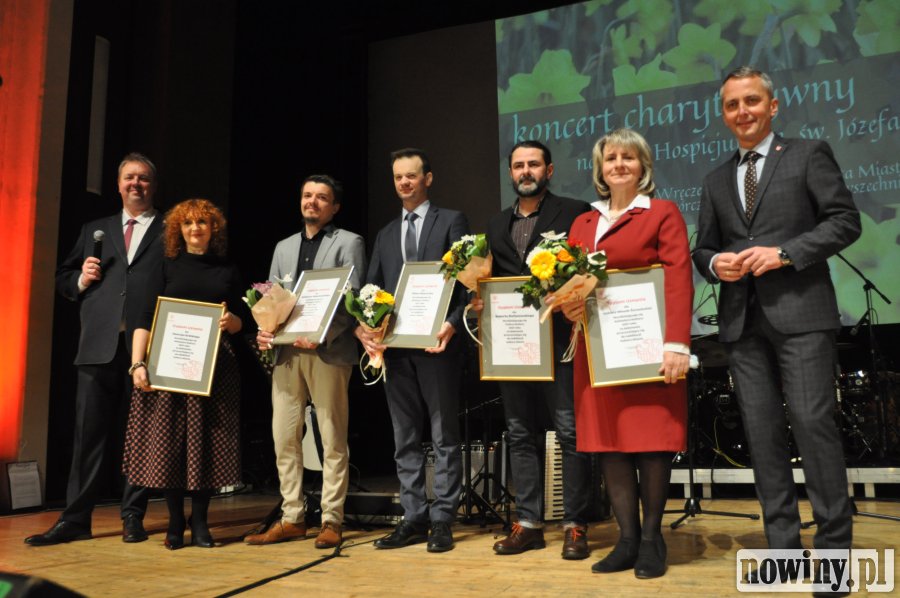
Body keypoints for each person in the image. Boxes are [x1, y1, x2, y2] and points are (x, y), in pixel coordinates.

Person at [693, 67, 859, 558]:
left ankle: (834, 553)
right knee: (762, 439)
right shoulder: (715, 178)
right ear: (723, 114)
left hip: (802, 315)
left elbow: (845, 221)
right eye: (731, 105)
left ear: (773, 105)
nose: (742, 111)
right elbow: (702, 248)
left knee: (813, 426)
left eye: (751, 101)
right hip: (741, 322)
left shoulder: (808, 154)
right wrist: (714, 263)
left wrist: (784, 254)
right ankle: (782, 550)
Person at [555, 128, 693, 579]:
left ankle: (653, 540)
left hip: (650, 349)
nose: (619, 164)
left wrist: (677, 343)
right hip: (599, 352)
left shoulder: (662, 213)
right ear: (600, 168)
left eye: (628, 158)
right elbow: (570, 284)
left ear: (643, 166)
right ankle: (627, 540)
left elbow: (678, 278)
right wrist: (569, 304)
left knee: (652, 444)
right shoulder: (583, 223)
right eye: (611, 158)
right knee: (611, 446)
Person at [26, 153, 161, 546]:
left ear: (153, 185)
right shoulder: (94, 229)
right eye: (129, 178)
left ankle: (133, 515)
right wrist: (82, 280)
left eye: (143, 178)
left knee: (138, 435)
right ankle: (75, 519)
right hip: (97, 345)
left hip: (146, 347)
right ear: (119, 185)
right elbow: (63, 279)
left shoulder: (170, 229)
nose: (136, 184)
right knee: (88, 436)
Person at [474, 140, 593, 559]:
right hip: (513, 346)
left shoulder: (575, 211)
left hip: (561, 342)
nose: (526, 171)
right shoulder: (494, 224)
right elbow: (492, 282)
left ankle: (576, 525)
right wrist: (479, 299)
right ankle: (529, 523)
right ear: (510, 173)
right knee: (520, 434)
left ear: (549, 170)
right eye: (519, 165)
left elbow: (585, 270)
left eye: (534, 164)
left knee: (569, 433)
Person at [355, 148, 469, 553]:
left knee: (443, 436)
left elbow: (467, 281)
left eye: (412, 176)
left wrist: (452, 323)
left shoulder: (451, 220)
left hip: (438, 344)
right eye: (398, 177)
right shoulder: (386, 234)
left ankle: (442, 519)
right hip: (397, 349)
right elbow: (370, 290)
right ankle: (414, 516)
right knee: (404, 438)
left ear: (428, 179)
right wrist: (365, 326)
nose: (404, 182)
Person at [245, 175, 366, 549]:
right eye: (307, 196)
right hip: (287, 353)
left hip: (327, 351)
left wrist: (321, 334)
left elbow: (354, 299)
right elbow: (271, 297)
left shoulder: (349, 242)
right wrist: (265, 327)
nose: (312, 202)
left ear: (335, 208)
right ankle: (292, 516)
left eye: (322, 197)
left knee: (332, 438)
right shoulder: (283, 247)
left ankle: (331, 519)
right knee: (284, 438)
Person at [125, 199, 245, 550]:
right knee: (172, 446)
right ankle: (176, 523)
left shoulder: (227, 269)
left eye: (203, 223)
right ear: (179, 228)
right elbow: (145, 319)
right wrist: (137, 363)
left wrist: (233, 322)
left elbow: (245, 320)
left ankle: (203, 523)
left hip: (215, 371)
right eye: (189, 223)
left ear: (214, 229)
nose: (196, 229)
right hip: (168, 368)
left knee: (208, 444)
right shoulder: (166, 266)